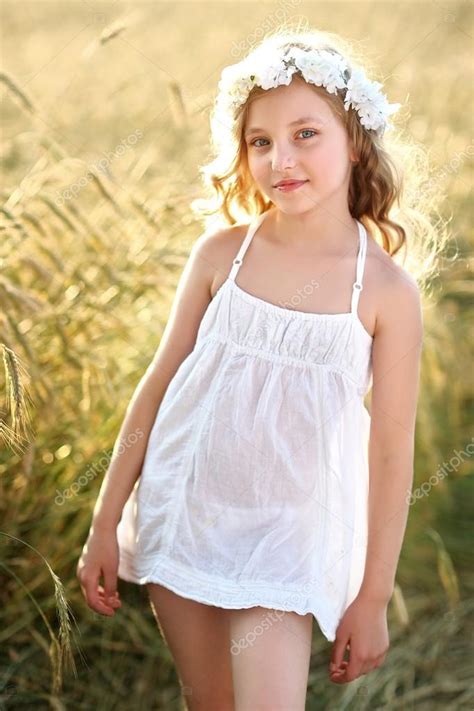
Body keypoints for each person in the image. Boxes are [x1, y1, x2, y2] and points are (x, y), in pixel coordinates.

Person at [77, 27, 432, 711]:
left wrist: (373, 594)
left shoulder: (386, 292)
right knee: (209, 700)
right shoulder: (221, 256)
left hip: (286, 539)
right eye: (260, 141)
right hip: (185, 512)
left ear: (353, 139)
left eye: (306, 134)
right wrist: (104, 517)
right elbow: (158, 387)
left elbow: (391, 449)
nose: (281, 159)